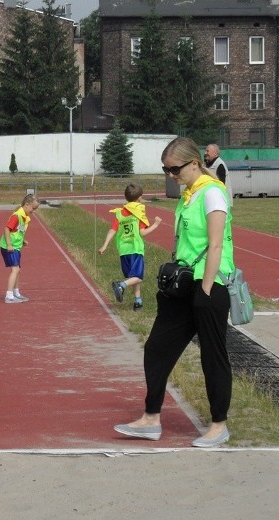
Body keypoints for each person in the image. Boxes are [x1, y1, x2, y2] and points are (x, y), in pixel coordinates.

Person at [115, 137, 236, 448]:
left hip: (209, 284)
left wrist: (206, 289)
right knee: (157, 347)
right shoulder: (189, 194)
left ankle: (218, 425)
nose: (170, 175)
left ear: (194, 163)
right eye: (165, 170)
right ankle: (151, 418)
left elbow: (216, 243)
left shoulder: (213, 193)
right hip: (182, 283)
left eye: (174, 169)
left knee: (213, 356)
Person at [99, 183, 162, 310]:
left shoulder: (120, 213)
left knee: (133, 277)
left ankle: (138, 301)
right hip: (135, 249)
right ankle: (121, 285)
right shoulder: (138, 213)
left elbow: (112, 230)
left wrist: (105, 245)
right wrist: (155, 224)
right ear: (140, 197)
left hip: (123, 250)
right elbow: (142, 232)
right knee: (138, 277)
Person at [0, 193, 38, 303]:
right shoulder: (17, 216)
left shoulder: (25, 217)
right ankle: (9, 295)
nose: (33, 211)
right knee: (15, 270)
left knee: (17, 270)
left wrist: (22, 240)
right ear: (27, 204)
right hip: (9, 247)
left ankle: (16, 293)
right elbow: (7, 229)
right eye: (33, 208)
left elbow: (17, 231)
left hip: (16, 246)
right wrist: (9, 244)